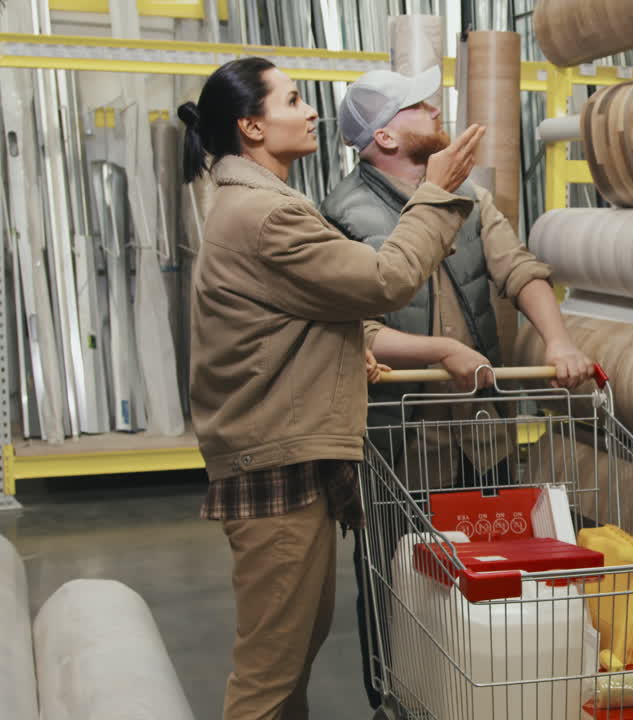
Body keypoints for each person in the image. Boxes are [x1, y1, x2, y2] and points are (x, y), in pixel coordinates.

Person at [180, 57, 488, 720]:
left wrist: (346, 358)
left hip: (288, 456)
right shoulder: (267, 217)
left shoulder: (260, 207)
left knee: (290, 657)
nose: (310, 110)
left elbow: (304, 322)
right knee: (270, 675)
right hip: (275, 461)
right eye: (292, 100)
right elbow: (382, 283)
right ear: (252, 127)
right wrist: (436, 194)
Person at [319, 68, 594, 711]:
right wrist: (439, 352)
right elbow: (355, 332)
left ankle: (480, 700)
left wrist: (557, 341)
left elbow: (517, 267)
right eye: (416, 105)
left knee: (491, 576)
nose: (433, 107)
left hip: (482, 432)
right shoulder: (342, 215)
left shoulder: (467, 194)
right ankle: (397, 696)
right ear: (384, 135)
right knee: (399, 578)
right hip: (402, 441)